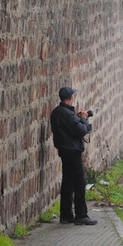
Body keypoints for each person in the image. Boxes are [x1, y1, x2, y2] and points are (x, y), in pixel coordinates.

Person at [50, 87, 97, 226]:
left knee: (67, 183)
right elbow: (81, 131)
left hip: (64, 150)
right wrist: (83, 119)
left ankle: (66, 215)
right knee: (79, 183)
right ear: (70, 98)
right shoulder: (68, 115)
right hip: (73, 151)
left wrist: (77, 119)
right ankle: (81, 215)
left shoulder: (57, 112)